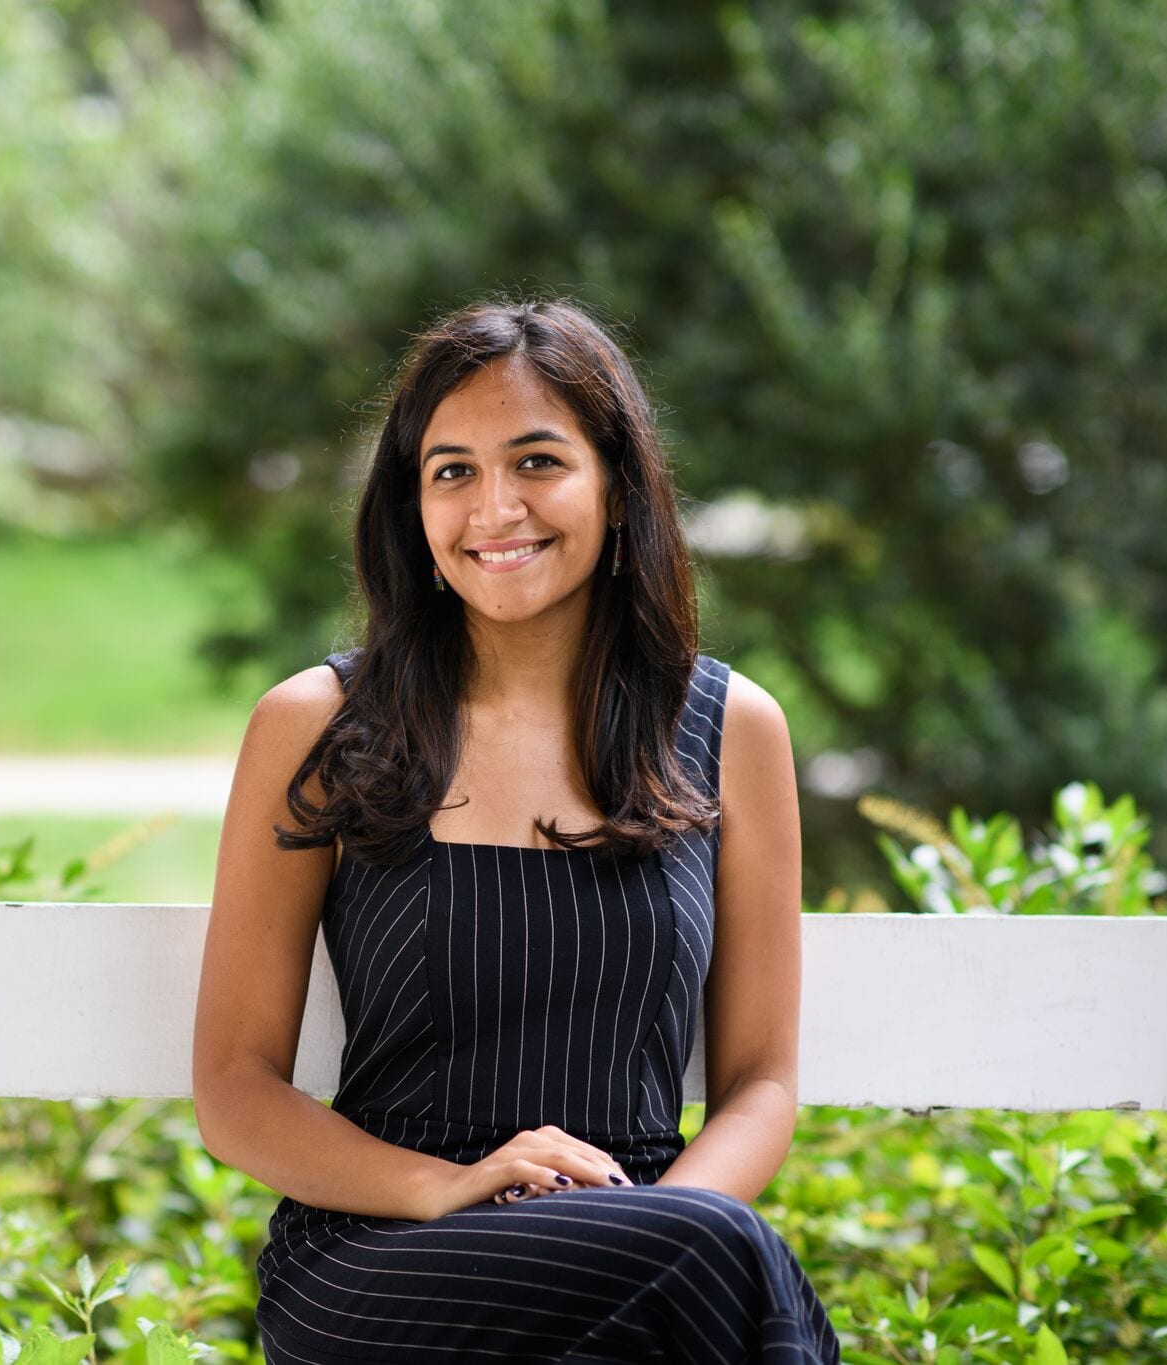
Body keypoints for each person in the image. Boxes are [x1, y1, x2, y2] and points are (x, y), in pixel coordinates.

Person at [191, 294, 843, 1363]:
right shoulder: (315, 725)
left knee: (699, 1271)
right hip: (387, 1247)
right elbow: (233, 1087)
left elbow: (759, 1081)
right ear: (412, 507)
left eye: (536, 462)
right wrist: (447, 1188)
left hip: (649, 1236)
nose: (494, 508)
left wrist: (661, 1222)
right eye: (451, 471)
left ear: (617, 488)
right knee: (713, 1277)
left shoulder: (731, 731)